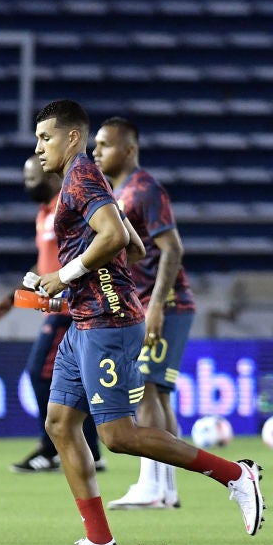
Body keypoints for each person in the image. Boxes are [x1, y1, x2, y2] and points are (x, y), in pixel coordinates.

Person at [31, 99, 264, 545]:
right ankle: (99, 539)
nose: (39, 148)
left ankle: (236, 476)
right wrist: (72, 284)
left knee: (117, 436)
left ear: (72, 137)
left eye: (46, 137)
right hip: (85, 320)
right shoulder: (85, 179)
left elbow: (117, 239)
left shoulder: (79, 174)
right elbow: (132, 245)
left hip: (108, 323)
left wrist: (69, 274)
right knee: (59, 424)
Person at [93, 116, 196, 511]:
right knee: (157, 393)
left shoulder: (145, 189)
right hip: (150, 304)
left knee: (147, 390)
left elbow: (172, 248)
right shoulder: (118, 193)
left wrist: (154, 305)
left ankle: (152, 485)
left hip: (165, 305)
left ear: (129, 149)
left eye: (105, 144)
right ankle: (164, 489)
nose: (96, 151)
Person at [0, 155, 103, 474]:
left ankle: (51, 449)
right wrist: (12, 299)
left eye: (32, 178)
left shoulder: (68, 209)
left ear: (51, 177)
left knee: (41, 372)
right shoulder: (44, 213)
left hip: (69, 306)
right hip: (53, 304)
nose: (28, 185)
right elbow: (46, 265)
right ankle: (90, 451)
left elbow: (86, 254)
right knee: (76, 380)